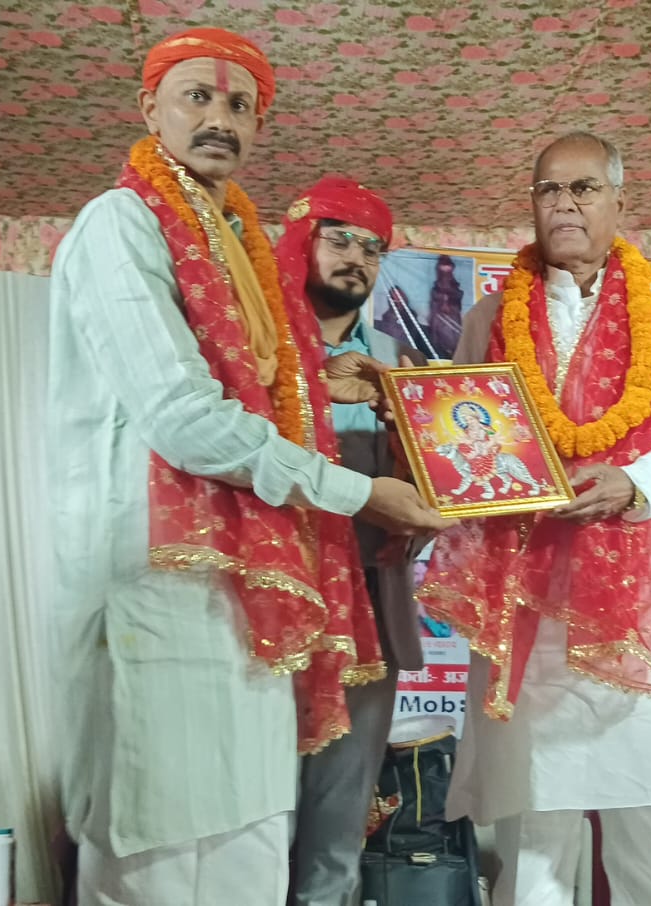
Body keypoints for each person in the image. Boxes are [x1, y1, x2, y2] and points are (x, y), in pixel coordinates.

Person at [45, 29, 449, 904]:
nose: (220, 120)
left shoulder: (231, 241)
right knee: (155, 847)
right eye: (197, 97)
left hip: (254, 585)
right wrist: (359, 492)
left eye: (239, 105)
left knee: (254, 840)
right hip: (155, 577)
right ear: (149, 109)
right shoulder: (122, 222)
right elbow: (183, 416)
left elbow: (254, 389)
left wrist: (326, 391)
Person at [419, 131, 651, 905]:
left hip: (645, 616)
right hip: (529, 619)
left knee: (650, 849)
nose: (563, 204)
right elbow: (468, 442)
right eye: (548, 190)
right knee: (532, 851)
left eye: (583, 188)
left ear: (618, 203)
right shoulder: (489, 319)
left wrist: (636, 482)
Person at [276, 176, 427, 906]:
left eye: (373, 248)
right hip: (272, 597)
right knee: (256, 804)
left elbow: (433, 483)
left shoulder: (395, 359)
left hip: (370, 597)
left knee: (339, 818)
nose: (356, 258)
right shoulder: (255, 342)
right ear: (299, 242)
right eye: (338, 239)